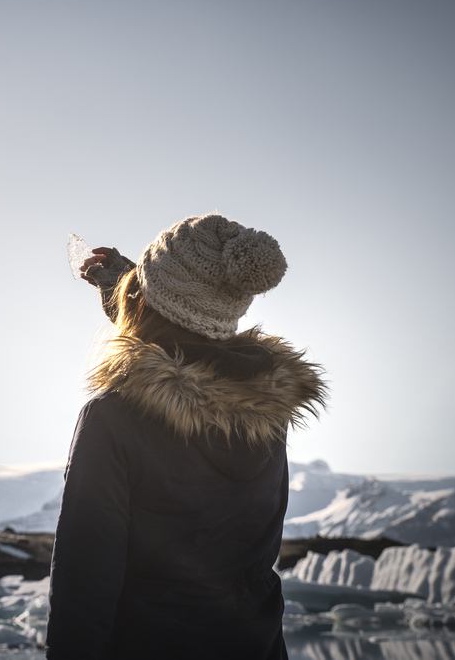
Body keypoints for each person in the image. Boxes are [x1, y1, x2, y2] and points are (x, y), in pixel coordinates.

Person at [45, 212, 329, 660]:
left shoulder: (113, 419)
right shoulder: (266, 421)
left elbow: (85, 585)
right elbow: (196, 346)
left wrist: (138, 297)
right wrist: (129, 288)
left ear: (150, 300)